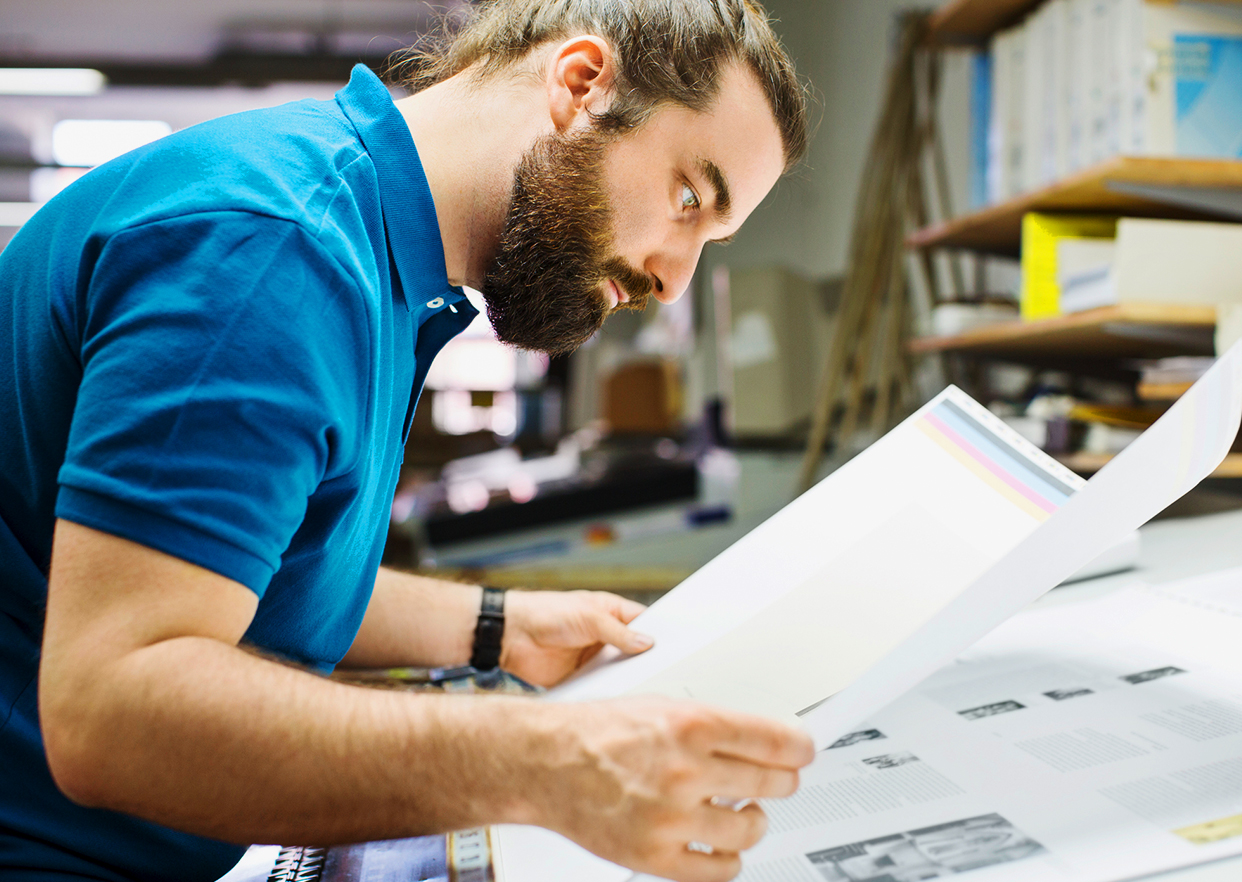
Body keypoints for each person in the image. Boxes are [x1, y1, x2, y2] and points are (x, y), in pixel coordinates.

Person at [0, 1, 814, 880]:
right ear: (581, 85)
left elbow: (232, 566)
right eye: (689, 198)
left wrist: (496, 627)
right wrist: (545, 761)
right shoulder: (275, 253)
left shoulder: (373, 250)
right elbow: (110, 712)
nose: (674, 276)